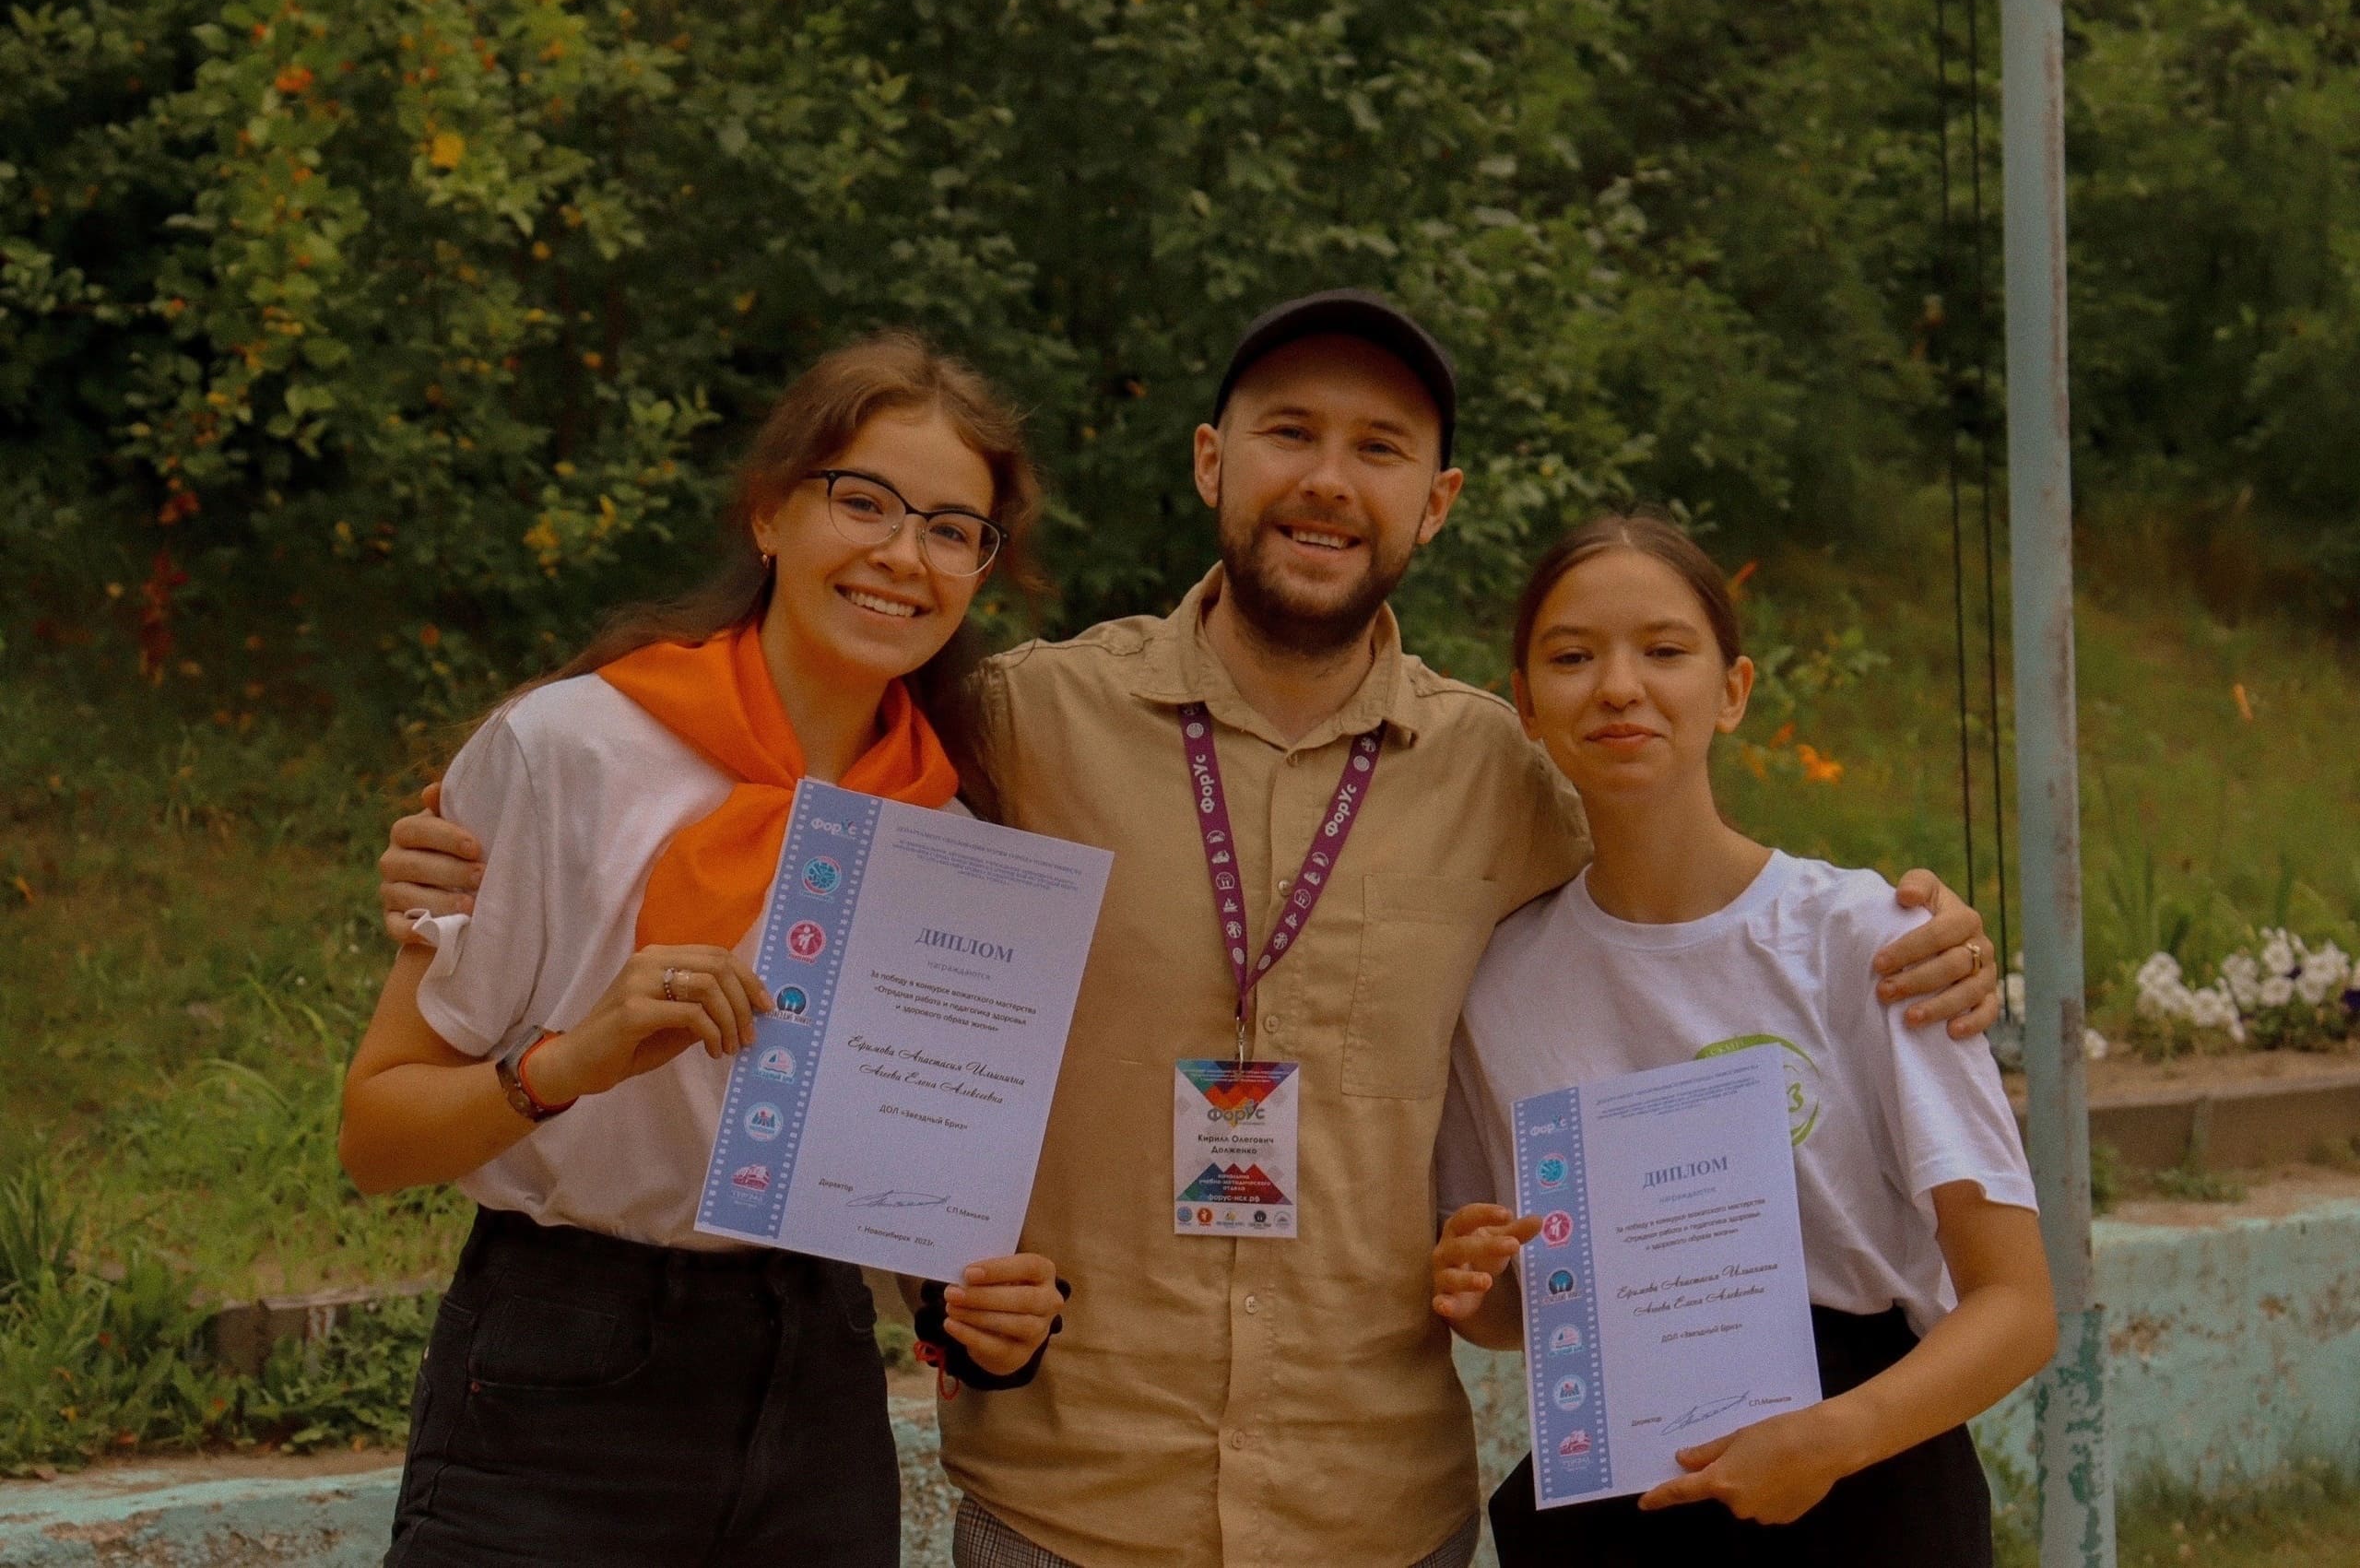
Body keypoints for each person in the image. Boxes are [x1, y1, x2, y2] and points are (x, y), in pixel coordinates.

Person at [372, 292, 2003, 1568]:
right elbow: (784, 780)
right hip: (1071, 1501)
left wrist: (1911, 922)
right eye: (1287, 430)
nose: (1326, 478)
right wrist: (456, 861)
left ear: (1434, 505)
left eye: (1379, 447)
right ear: (1214, 464)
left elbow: (1685, 873)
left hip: (1377, 1509)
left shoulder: (1509, 783)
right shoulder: (1013, 727)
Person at [338, 333, 1070, 1568]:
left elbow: (902, 1199)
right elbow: (375, 1133)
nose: (904, 554)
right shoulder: (569, 750)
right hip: (556, 1371)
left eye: (954, 528)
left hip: (817, 1376)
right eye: (866, 501)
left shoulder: (949, 838)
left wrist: (972, 1308)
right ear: (771, 513)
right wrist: (573, 1060)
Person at [1430, 510, 2053, 1566]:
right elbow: (1509, 1316)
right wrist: (1474, 1279)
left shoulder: (1870, 939)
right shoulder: (1494, 984)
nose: (1619, 685)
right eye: (1573, 656)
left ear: (1733, 688)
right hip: (1618, 1500)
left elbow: (2018, 1305)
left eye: (1664, 650)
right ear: (1524, 705)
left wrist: (1834, 1436)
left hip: (1866, 1484)